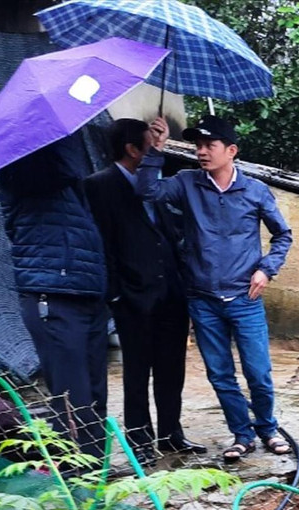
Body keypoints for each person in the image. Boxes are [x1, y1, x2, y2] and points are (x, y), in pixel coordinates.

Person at [138, 114, 292, 461]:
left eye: (210, 145)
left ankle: (267, 428)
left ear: (231, 150)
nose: (202, 152)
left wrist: (266, 269)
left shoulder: (254, 191)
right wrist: (156, 150)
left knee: (258, 372)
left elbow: (283, 234)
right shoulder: (187, 183)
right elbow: (146, 191)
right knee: (220, 374)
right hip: (204, 299)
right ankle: (241, 435)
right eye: (198, 146)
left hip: (245, 297)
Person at [85, 119, 204, 465]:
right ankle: (139, 440)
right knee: (137, 371)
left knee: (172, 368)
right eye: (149, 144)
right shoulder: (99, 186)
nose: (155, 150)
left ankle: (171, 434)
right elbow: (102, 243)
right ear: (132, 149)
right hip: (132, 296)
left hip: (171, 292)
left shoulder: (157, 183)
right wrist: (116, 294)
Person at [0, 135, 108, 463]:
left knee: (95, 397)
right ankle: (79, 483)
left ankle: (95, 472)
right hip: (53, 296)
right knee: (73, 399)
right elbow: (56, 171)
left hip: (87, 292)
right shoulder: (21, 166)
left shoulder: (72, 185)